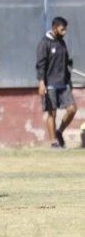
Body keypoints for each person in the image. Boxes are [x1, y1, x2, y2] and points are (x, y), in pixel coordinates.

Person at [37, 17, 78, 148]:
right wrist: (41, 82)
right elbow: (40, 65)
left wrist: (69, 77)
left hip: (64, 83)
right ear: (55, 28)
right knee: (51, 113)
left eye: (65, 29)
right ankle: (53, 142)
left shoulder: (62, 42)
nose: (64, 31)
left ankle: (59, 132)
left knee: (72, 109)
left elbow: (66, 62)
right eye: (62, 29)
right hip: (50, 85)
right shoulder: (45, 43)